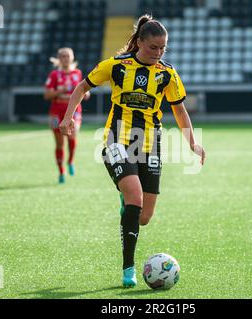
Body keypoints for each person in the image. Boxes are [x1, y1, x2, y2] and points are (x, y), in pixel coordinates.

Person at [59, 15, 205, 287]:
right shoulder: (116, 66)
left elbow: (179, 109)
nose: (158, 52)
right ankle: (128, 270)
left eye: (163, 48)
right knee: (134, 196)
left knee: (144, 217)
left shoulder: (167, 73)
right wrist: (68, 117)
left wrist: (192, 142)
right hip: (117, 140)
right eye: (153, 47)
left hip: (150, 144)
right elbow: (82, 86)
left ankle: (126, 202)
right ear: (139, 42)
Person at [44, 47, 90, 183]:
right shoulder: (54, 75)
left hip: (74, 110)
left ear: (72, 57)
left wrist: (86, 94)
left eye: (68, 56)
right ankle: (61, 171)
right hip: (57, 110)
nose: (65, 58)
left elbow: (85, 91)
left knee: (73, 134)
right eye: (63, 56)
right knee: (59, 143)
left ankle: (70, 161)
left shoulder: (77, 73)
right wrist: (60, 90)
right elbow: (47, 95)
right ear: (59, 59)